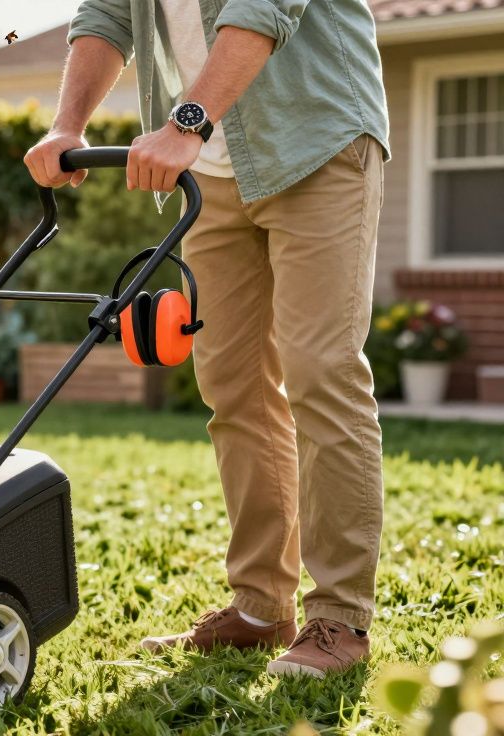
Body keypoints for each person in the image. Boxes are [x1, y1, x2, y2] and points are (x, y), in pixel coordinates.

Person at [24, 0, 388, 677]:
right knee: (232, 384)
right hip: (215, 174)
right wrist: (65, 125)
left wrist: (186, 122)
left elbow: (264, 5)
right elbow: (106, 15)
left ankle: (339, 618)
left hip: (317, 137)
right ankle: (260, 607)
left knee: (321, 369)